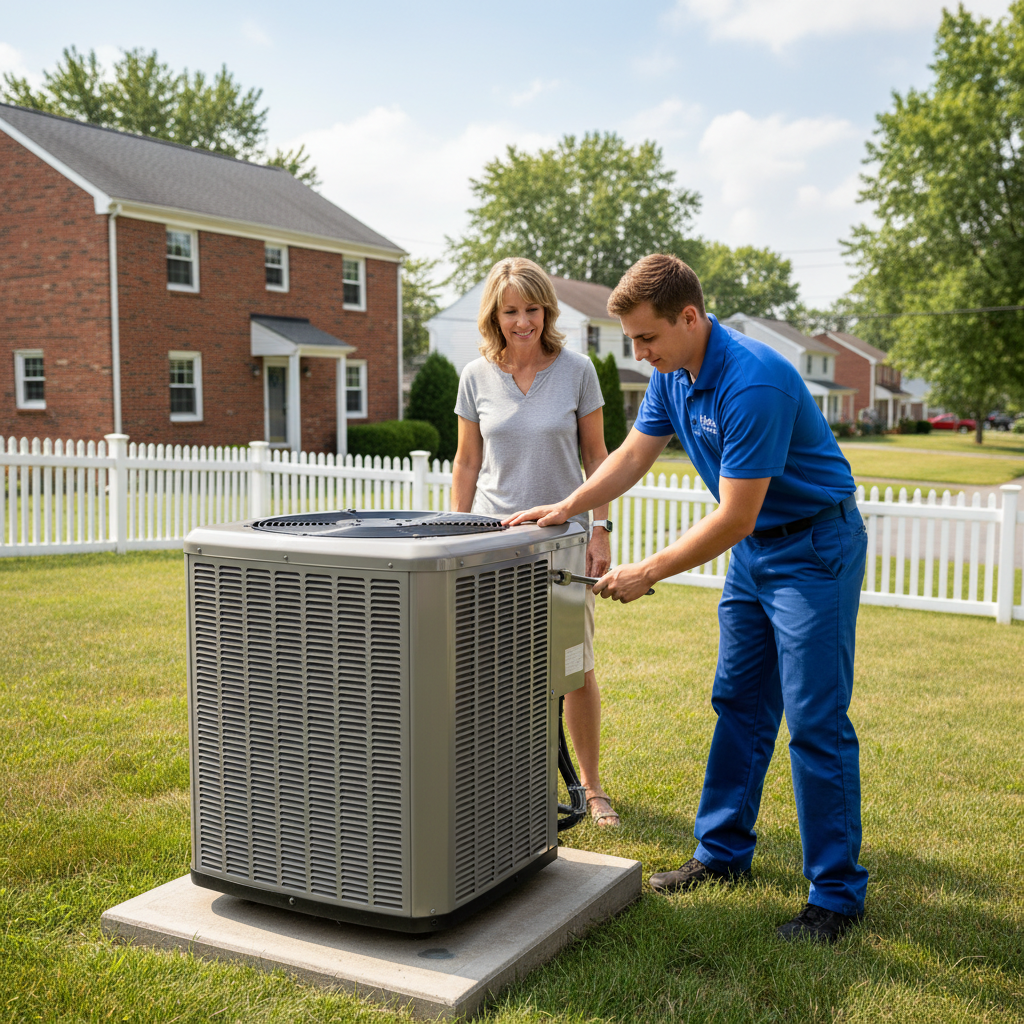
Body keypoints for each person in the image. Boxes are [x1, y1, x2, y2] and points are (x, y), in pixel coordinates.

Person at [507, 254, 869, 941]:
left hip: (814, 549)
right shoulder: (673, 375)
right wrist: (568, 506)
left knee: (815, 720)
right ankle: (723, 853)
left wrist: (648, 571)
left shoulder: (752, 382)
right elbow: (632, 455)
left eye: (647, 338)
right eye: (632, 342)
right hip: (758, 553)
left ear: (690, 317)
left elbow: (735, 516)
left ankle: (837, 897)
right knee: (739, 701)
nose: (639, 355)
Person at [451, 257, 620, 827]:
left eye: (531, 309)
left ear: (547, 311)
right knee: (493, 666)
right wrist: (454, 536)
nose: (522, 321)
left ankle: (591, 788)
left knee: (574, 665)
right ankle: (506, 780)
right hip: (493, 543)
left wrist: (600, 529)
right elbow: (467, 462)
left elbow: (597, 458)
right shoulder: (475, 376)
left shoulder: (578, 370)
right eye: (510, 311)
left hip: (563, 542)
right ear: (494, 316)